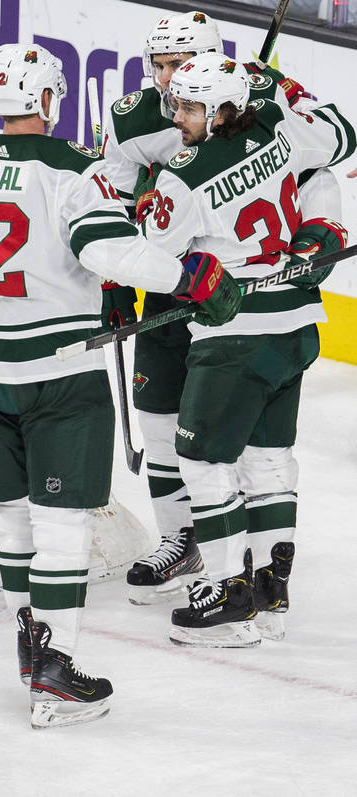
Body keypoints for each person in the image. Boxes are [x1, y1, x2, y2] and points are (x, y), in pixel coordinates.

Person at [0, 43, 239, 728]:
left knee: (12, 515)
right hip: (55, 370)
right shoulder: (72, 169)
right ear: (48, 101)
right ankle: (56, 667)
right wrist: (188, 274)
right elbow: (106, 252)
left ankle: (29, 638)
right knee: (62, 520)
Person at [100, 9, 345, 605]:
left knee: (217, 443)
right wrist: (113, 285)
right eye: (157, 65)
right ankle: (182, 542)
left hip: (236, 294)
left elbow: (331, 150)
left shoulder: (260, 102)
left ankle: (236, 568)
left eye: (178, 67)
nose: (164, 80)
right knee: (162, 424)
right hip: (172, 283)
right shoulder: (135, 116)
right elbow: (106, 188)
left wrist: (321, 230)